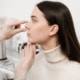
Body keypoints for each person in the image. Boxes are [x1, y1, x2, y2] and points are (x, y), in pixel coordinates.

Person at [6, 1, 80, 80]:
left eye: (34, 21)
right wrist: (20, 73)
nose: (27, 25)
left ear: (53, 29)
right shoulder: (32, 61)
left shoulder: (76, 72)